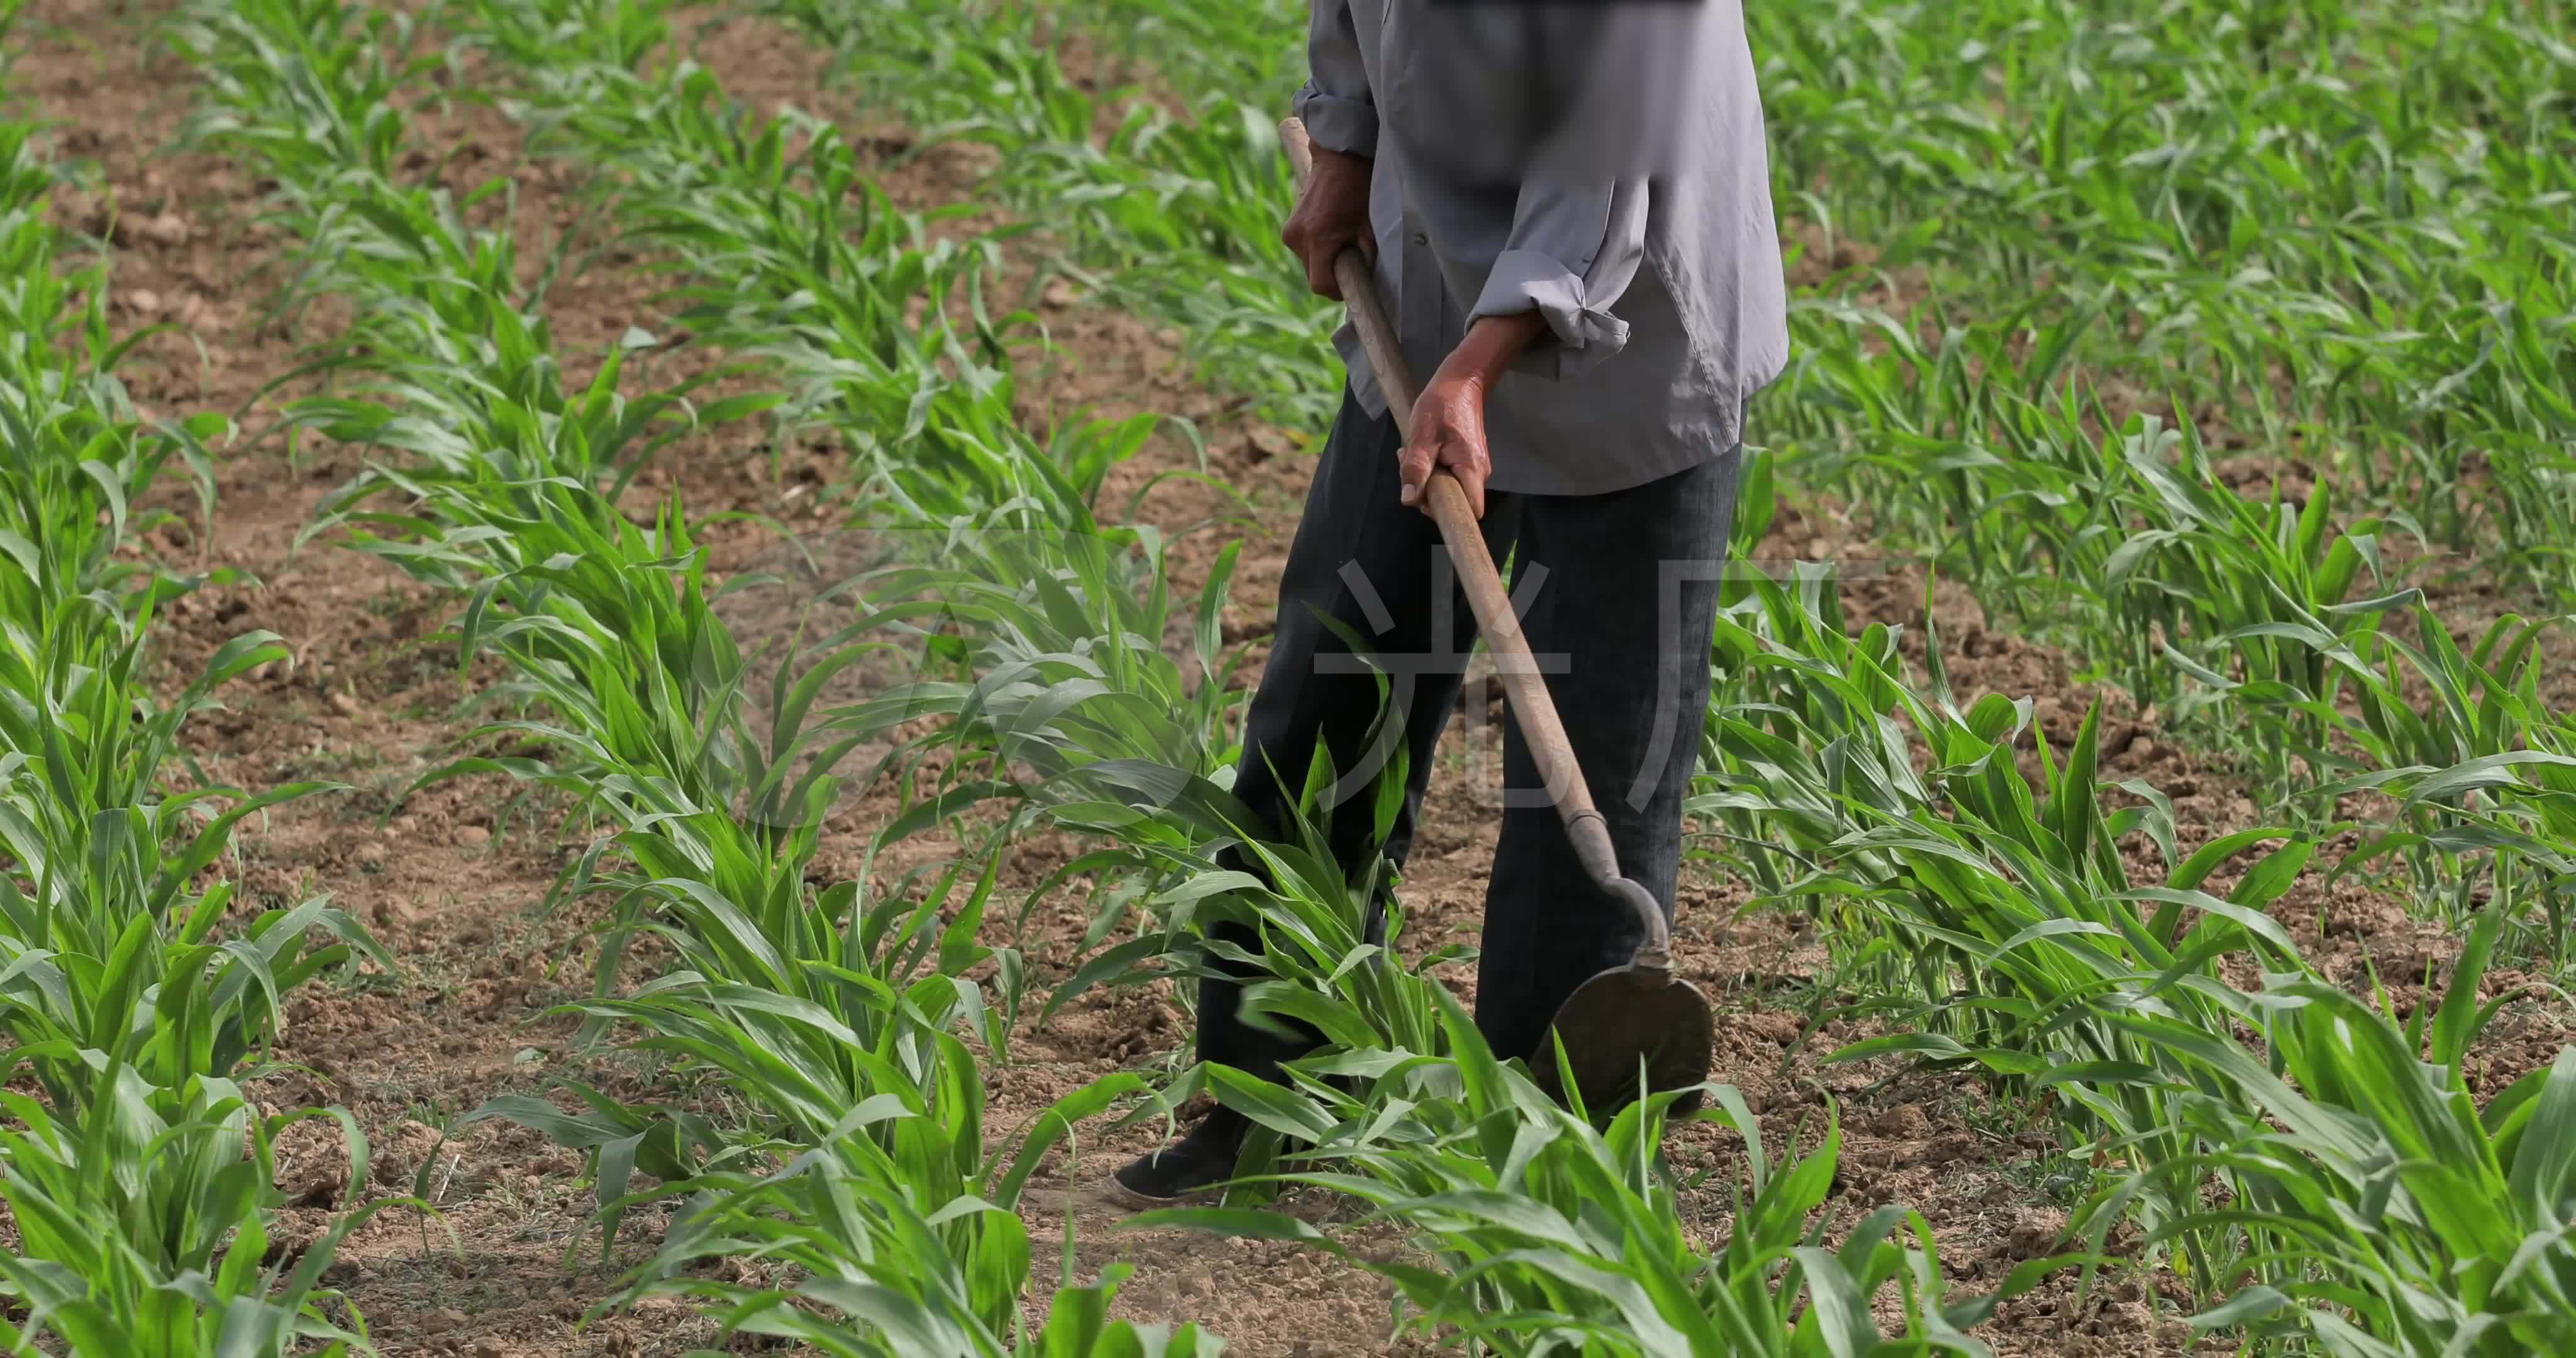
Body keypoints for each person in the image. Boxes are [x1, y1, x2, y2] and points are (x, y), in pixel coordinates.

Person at [1110, 0, 1789, 1206]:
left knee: (1598, 750)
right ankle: (1275, 1099)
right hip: (1432, 276)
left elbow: (1610, 150)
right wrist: (1348, 150)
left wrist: (1479, 368)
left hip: (1632, 322)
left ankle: (1555, 1163)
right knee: (1332, 694)